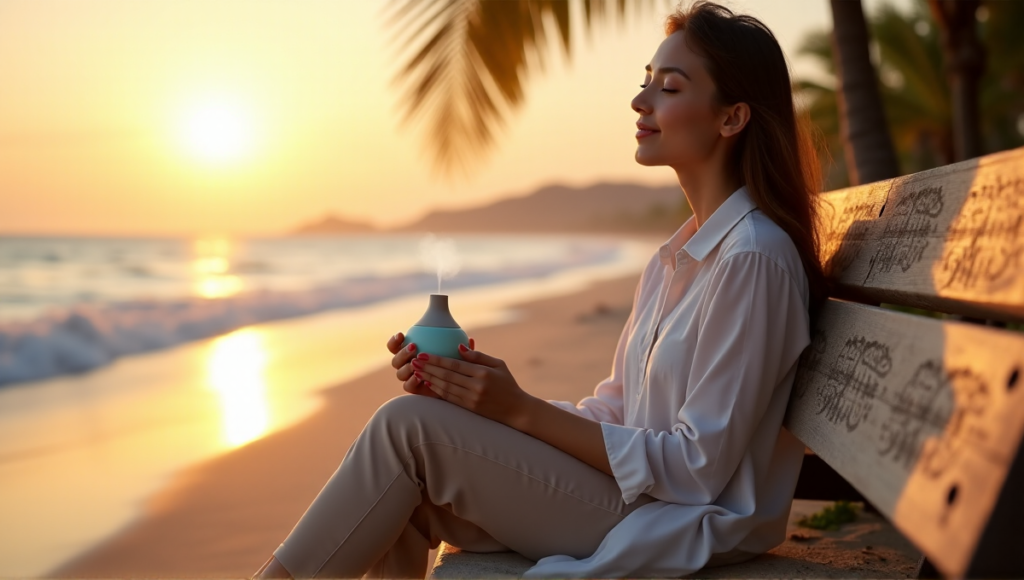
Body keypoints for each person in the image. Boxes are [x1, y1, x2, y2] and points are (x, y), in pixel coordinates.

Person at [253, 1, 830, 577]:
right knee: (413, 461)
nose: (639, 101)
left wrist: (521, 412)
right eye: (645, 82)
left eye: (669, 89)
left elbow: (697, 468)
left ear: (731, 118)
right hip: (637, 500)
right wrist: (479, 399)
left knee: (407, 432)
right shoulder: (676, 259)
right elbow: (616, 409)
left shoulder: (752, 259)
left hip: (681, 521)